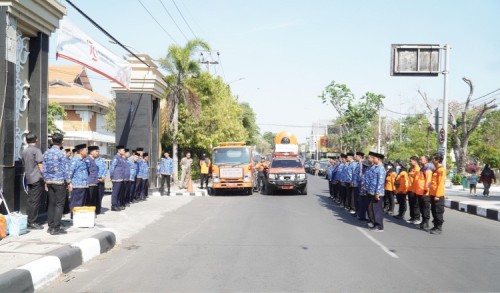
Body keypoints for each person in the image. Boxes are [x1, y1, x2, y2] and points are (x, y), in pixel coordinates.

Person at [42, 133, 69, 235]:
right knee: (59, 204)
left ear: (52, 141)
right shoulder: (62, 154)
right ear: (62, 141)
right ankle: (56, 228)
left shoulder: (46, 153)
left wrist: (45, 180)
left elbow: (43, 169)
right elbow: (66, 169)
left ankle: (50, 226)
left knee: (51, 204)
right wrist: (69, 182)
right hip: (59, 182)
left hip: (49, 182)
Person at [21, 133, 44, 230]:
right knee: (35, 201)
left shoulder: (24, 151)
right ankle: (32, 222)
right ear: (36, 140)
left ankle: (30, 220)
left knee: (30, 200)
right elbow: (40, 165)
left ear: (26, 141)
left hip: (29, 178)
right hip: (36, 178)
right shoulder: (36, 150)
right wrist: (45, 176)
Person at [368, 152, 386, 232]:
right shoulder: (375, 167)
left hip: (377, 192)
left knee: (377, 209)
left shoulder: (381, 169)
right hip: (372, 191)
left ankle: (379, 226)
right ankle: (375, 224)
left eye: (374, 158)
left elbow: (381, 181)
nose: (373, 159)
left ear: (378, 159)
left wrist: (378, 193)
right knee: (373, 209)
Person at [414, 156, 434, 231]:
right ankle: (423, 221)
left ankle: (426, 222)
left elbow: (428, 182)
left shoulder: (428, 170)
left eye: (421, 159)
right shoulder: (422, 169)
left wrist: (426, 191)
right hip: (419, 192)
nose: (420, 160)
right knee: (421, 208)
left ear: (426, 161)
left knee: (426, 208)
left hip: (425, 193)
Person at [67, 144, 89, 213]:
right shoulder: (75, 160)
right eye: (86, 150)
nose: (87, 152)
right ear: (81, 151)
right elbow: (70, 172)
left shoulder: (83, 160)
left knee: (82, 203)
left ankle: (79, 217)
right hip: (77, 185)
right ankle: (74, 216)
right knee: (76, 202)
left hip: (84, 184)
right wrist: (69, 183)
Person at [429, 153, 446, 234]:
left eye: (433, 159)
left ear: (438, 160)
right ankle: (435, 226)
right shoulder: (435, 169)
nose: (432, 160)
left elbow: (440, 183)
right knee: (433, 210)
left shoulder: (441, 170)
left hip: (437, 195)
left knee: (438, 211)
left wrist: (437, 195)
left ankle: (439, 228)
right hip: (432, 193)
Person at [109, 145, 127, 211]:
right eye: (123, 150)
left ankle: (118, 204)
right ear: (119, 151)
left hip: (121, 177)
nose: (124, 151)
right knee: (115, 192)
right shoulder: (116, 158)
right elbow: (112, 167)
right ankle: (114, 205)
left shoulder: (121, 158)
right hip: (117, 177)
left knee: (119, 192)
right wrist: (111, 175)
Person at [407, 156, 421, 224]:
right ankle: (412, 217)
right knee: (411, 204)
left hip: (414, 190)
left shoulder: (418, 169)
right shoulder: (411, 169)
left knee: (415, 204)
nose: (410, 162)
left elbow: (416, 182)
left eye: (411, 161)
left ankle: (417, 218)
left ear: (415, 161)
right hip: (409, 189)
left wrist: (414, 191)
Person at [94, 148, 108, 214]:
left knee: (101, 194)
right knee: (94, 195)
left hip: (101, 179)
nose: (97, 153)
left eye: (98, 151)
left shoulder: (102, 160)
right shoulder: (91, 160)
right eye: (96, 151)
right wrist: (97, 179)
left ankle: (98, 209)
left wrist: (103, 176)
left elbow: (105, 168)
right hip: (94, 180)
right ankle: (94, 209)